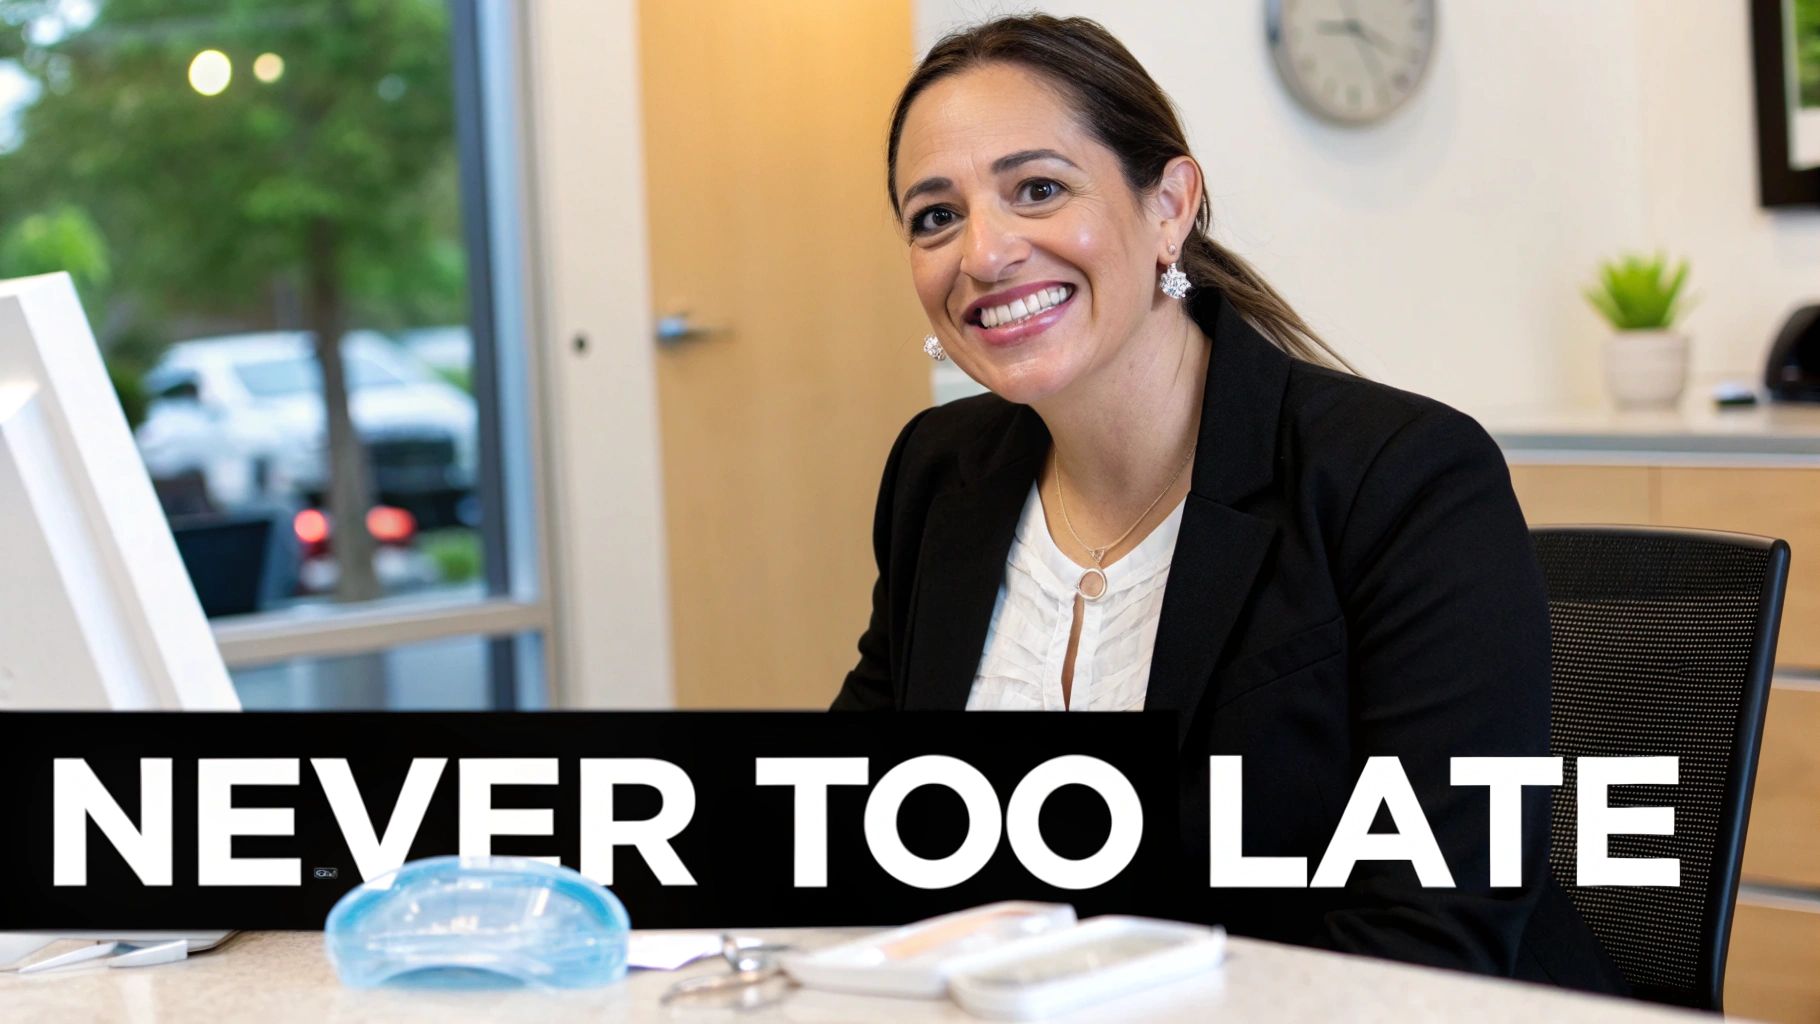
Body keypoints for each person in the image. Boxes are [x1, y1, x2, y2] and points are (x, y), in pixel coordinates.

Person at [830, 14, 1628, 996]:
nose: (983, 253)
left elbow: (1429, 936)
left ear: (1168, 204)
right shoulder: (937, 476)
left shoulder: (1401, 480)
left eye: (1037, 189)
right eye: (933, 216)